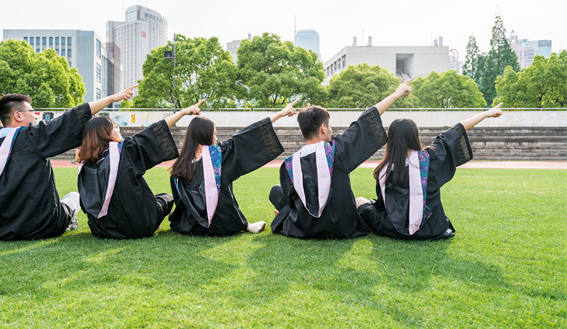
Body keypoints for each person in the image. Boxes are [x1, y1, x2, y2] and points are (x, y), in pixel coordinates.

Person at [0, 85, 137, 241]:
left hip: (0, 229)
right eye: (31, 111)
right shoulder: (31, 137)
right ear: (18, 115)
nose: (36, 115)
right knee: (74, 197)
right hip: (40, 226)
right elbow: (70, 119)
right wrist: (112, 98)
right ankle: (69, 222)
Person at [270, 80, 413, 239]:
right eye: (329, 126)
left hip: (305, 226)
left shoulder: (289, 164)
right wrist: (396, 94)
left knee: (276, 191)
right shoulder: (336, 150)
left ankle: (281, 217)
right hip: (342, 226)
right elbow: (365, 121)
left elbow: (291, 202)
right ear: (323, 128)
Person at [356, 104, 504, 240]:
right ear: (414, 136)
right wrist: (486, 114)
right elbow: (455, 131)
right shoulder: (429, 159)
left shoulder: (384, 170)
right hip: (431, 228)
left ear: (392, 140)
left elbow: (383, 204)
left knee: (360, 201)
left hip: (392, 228)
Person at [76, 100, 204, 239]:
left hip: (102, 230)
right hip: (140, 226)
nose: (118, 129)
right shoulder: (125, 151)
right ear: (105, 133)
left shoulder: (85, 166)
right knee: (166, 198)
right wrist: (183, 112)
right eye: (115, 126)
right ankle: (156, 222)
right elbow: (155, 131)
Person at [169, 101, 298, 236]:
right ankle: (245, 225)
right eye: (214, 133)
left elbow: (180, 202)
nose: (216, 138)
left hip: (190, 226)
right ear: (204, 135)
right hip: (222, 224)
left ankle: (246, 224)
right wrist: (280, 114)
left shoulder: (179, 167)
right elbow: (247, 135)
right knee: (222, 182)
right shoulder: (218, 156)